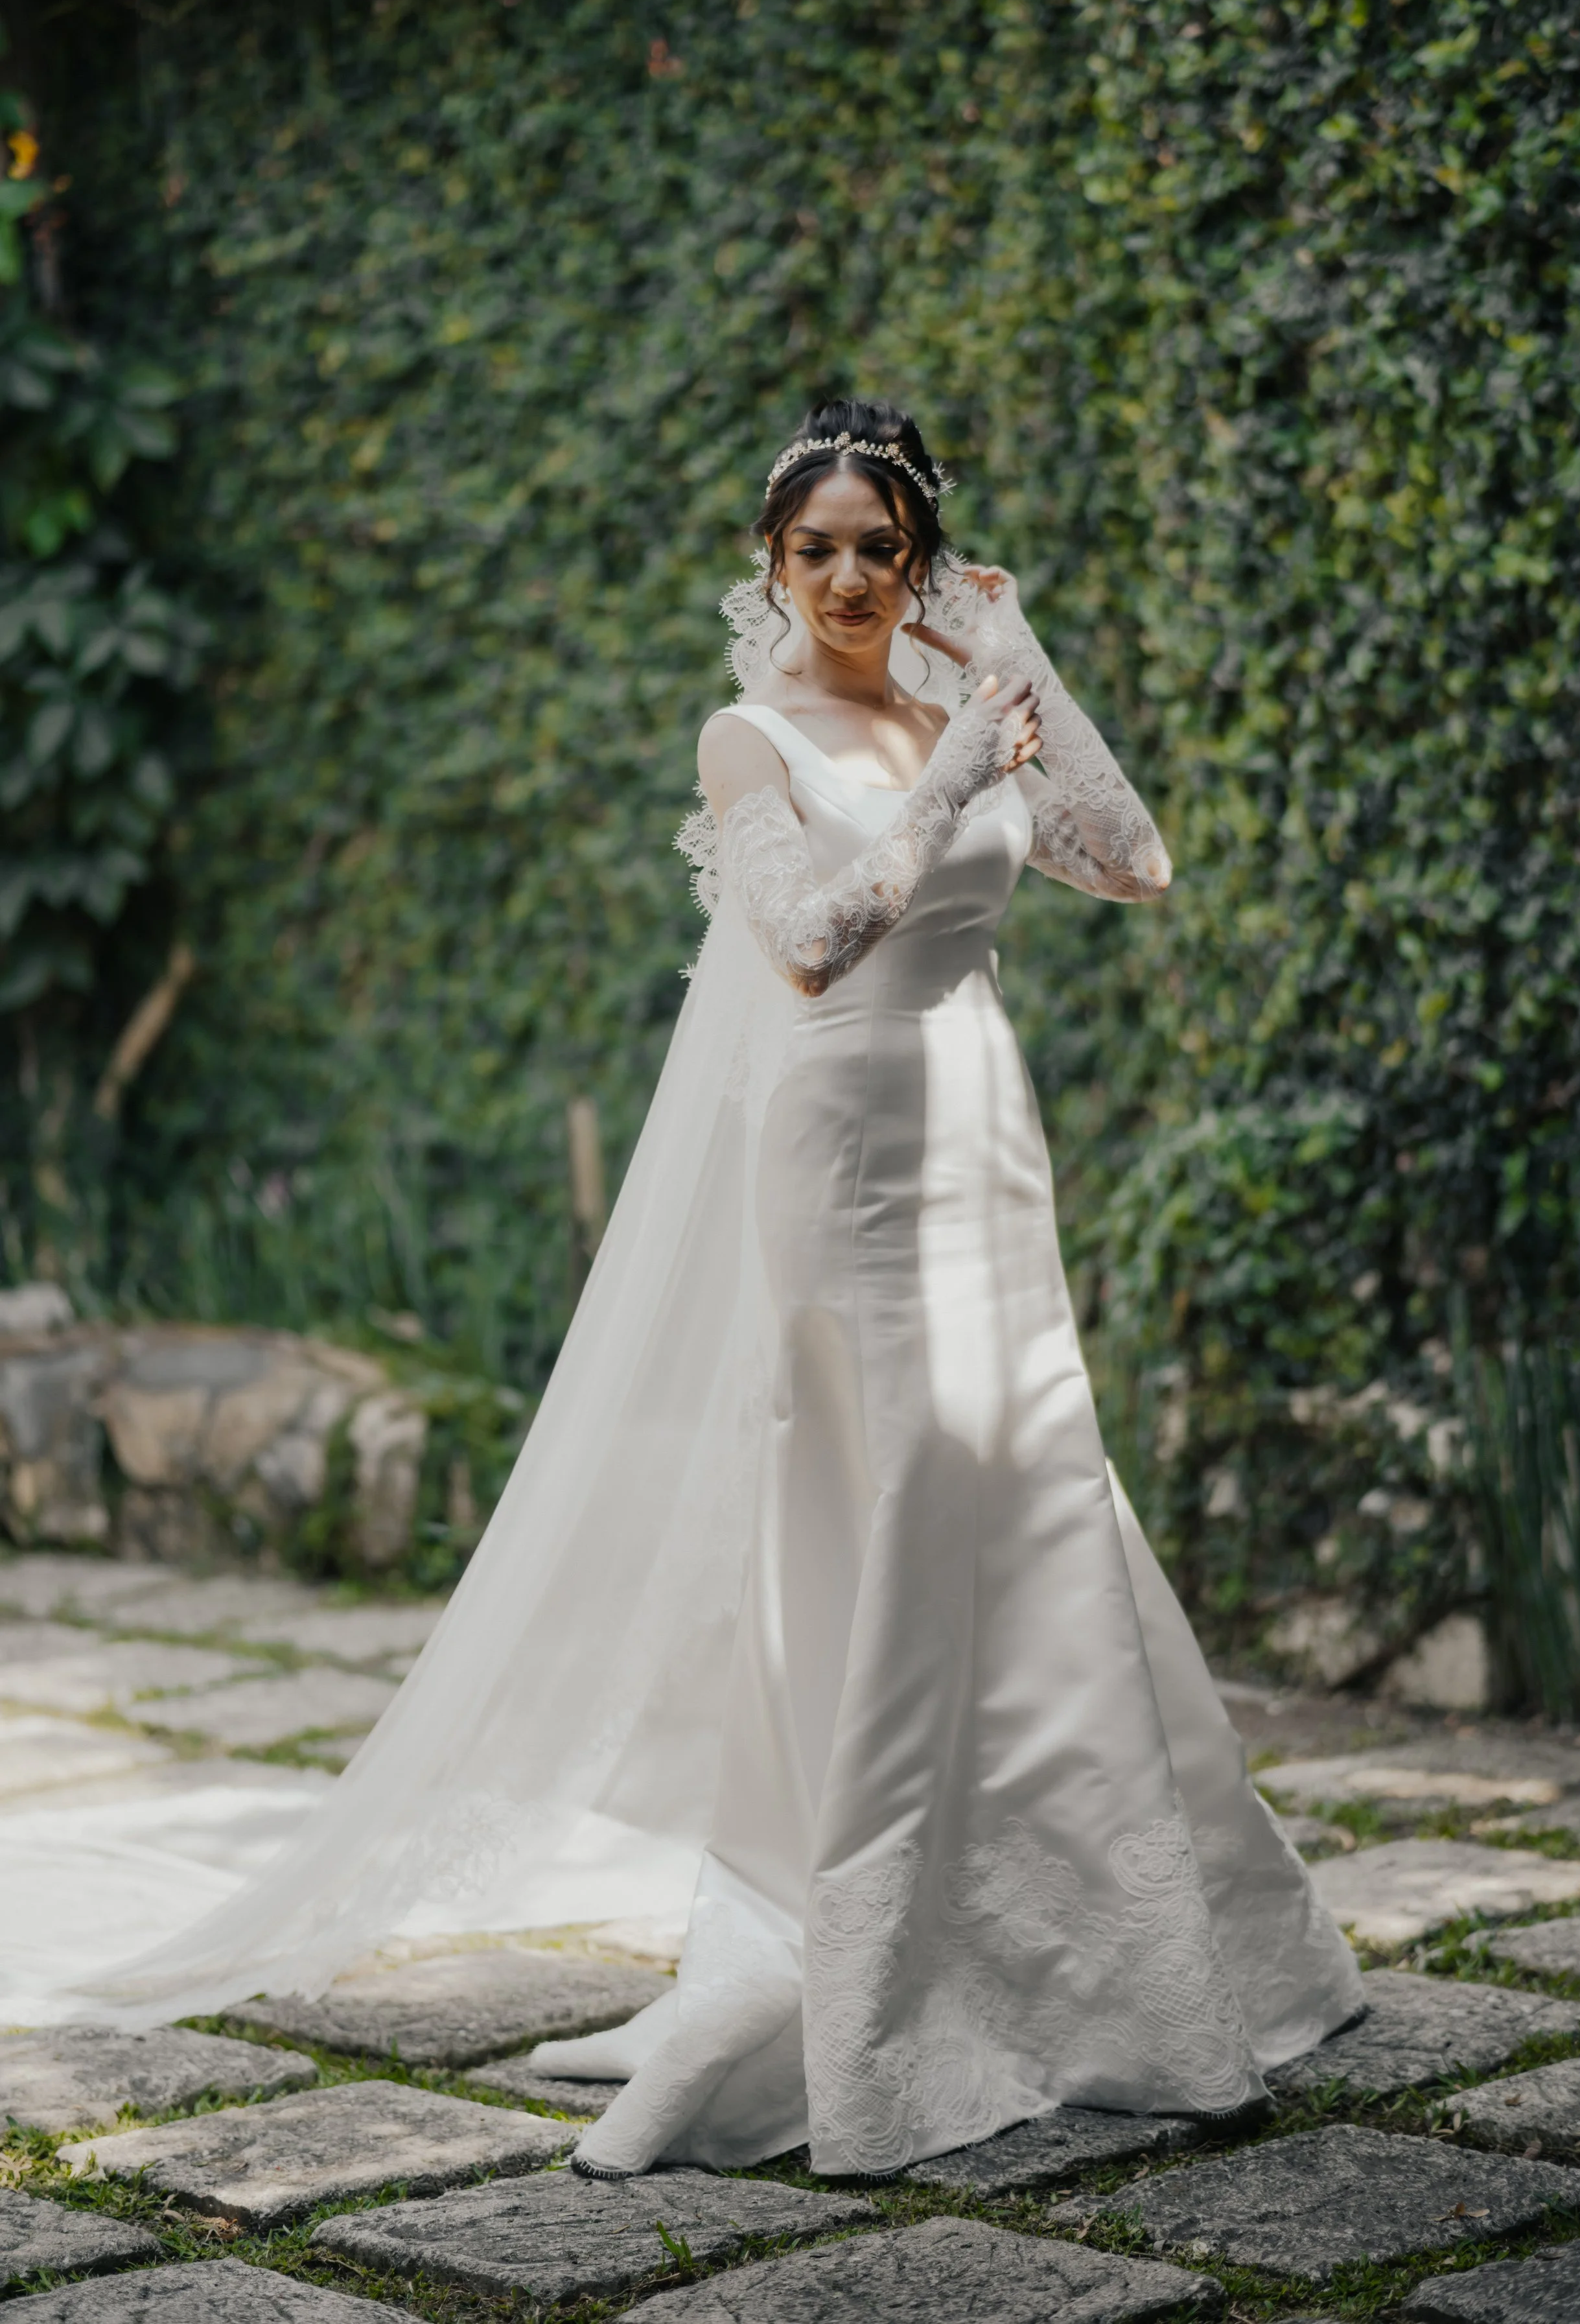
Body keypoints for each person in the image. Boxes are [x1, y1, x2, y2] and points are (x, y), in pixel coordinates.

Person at [54, 397, 1361, 2183]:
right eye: (812, 546)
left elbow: (1130, 859)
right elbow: (814, 946)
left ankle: (1109, 1954)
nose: (844, 575)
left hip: (983, 1137)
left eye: (877, 547)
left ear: (919, 562)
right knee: (894, 1496)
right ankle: (875, 1970)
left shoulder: (955, 702)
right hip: (846, 1149)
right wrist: (945, 782)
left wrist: (1013, 662)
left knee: (1036, 1492)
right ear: (772, 563)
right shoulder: (747, 738)